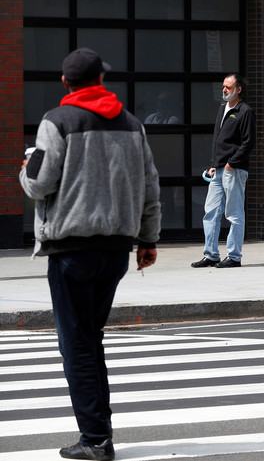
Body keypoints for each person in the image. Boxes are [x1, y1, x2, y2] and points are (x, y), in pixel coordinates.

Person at [19, 47, 161, 461]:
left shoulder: (57, 121)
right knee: (90, 340)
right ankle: (99, 432)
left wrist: (22, 169)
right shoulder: (132, 124)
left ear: (66, 83)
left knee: (77, 344)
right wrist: (148, 241)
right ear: (101, 79)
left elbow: (40, 183)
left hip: (71, 249)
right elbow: (150, 188)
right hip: (115, 250)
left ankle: (96, 439)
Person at [192, 73, 256, 268]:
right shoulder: (222, 108)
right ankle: (211, 254)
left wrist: (231, 163)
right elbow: (217, 139)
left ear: (239, 89)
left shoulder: (245, 111)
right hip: (218, 170)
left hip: (234, 170)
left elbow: (248, 143)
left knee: (234, 214)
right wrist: (214, 163)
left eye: (228, 87)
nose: (224, 90)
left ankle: (234, 256)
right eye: (223, 86)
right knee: (210, 212)